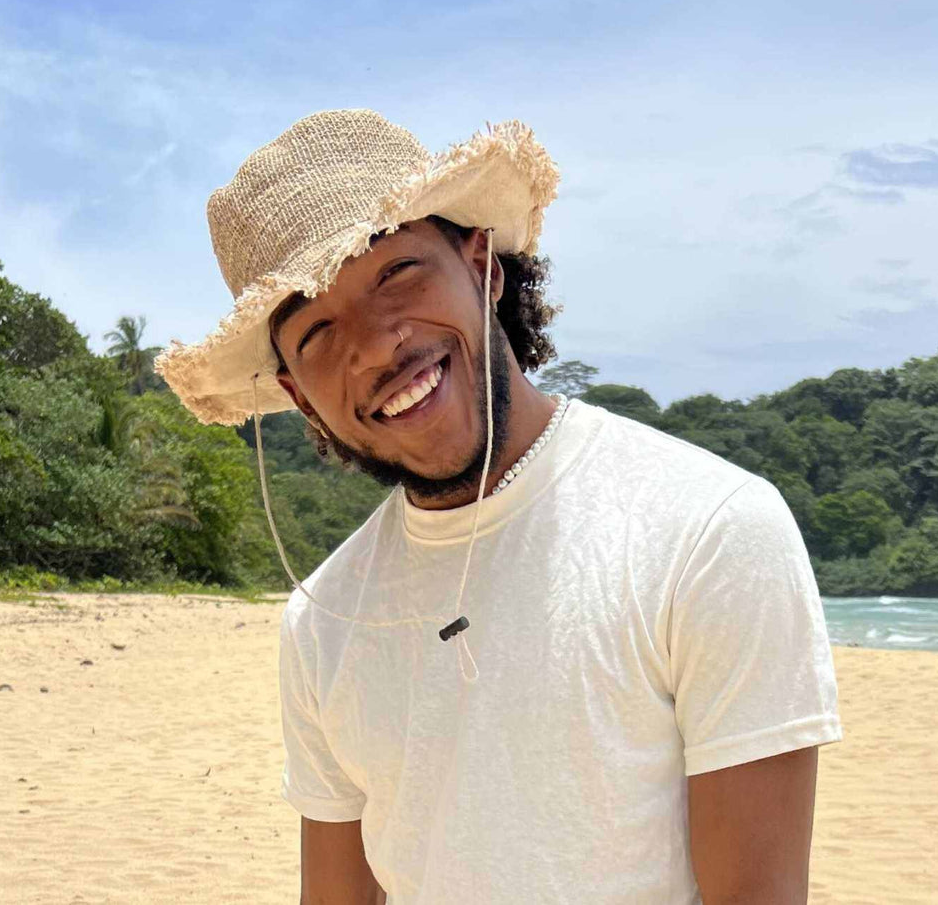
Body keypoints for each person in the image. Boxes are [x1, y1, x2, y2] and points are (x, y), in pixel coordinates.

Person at [154, 109, 843, 904]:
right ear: (296, 397)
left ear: (480, 264)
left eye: (395, 273)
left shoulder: (708, 530)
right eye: (314, 333)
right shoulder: (323, 621)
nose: (376, 346)